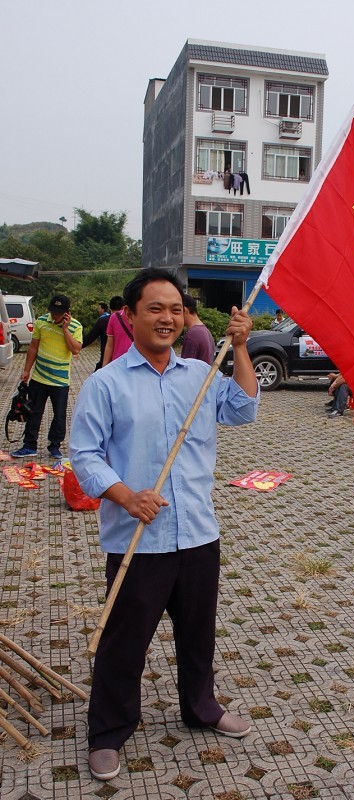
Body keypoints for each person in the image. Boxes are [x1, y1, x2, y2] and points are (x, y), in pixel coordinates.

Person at [69, 268, 259, 782]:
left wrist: (240, 348)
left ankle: (202, 708)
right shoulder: (106, 384)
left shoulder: (200, 375)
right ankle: (109, 730)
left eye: (175, 308)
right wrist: (125, 495)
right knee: (123, 642)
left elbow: (243, 409)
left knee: (198, 635)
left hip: (198, 533)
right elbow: (83, 455)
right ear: (129, 317)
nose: (167, 318)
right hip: (139, 539)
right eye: (155, 308)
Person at [11, 294, 82, 459]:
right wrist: (26, 370)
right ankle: (29, 445)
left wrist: (65, 329)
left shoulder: (75, 326)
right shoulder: (41, 322)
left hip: (60, 380)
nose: (54, 316)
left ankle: (55, 446)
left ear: (67, 313)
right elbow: (33, 348)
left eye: (58, 313)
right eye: (53, 312)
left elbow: (76, 349)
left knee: (59, 415)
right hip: (39, 377)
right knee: (34, 412)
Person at [181, 293, 215, 365]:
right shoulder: (205, 331)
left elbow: (186, 369)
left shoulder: (193, 334)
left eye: (176, 310)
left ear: (184, 310)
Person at [102, 296, 133, 366]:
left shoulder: (144, 317)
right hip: (118, 364)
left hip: (139, 363)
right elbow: (109, 345)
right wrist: (104, 368)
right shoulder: (114, 317)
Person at [81, 302, 110, 370]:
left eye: (99, 308)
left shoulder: (103, 319)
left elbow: (91, 335)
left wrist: (78, 345)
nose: (98, 310)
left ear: (103, 309)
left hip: (106, 348)